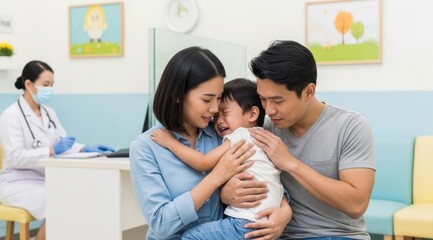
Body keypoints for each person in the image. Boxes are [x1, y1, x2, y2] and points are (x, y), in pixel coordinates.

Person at [221, 40, 376, 240]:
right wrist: (225, 193)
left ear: (308, 92)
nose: (268, 110)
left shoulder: (351, 126)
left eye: (278, 100)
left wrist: (290, 163)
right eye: (263, 99)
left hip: (338, 235)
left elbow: (356, 205)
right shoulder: (262, 131)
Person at [129, 47, 257, 240]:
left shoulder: (223, 135)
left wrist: (283, 210)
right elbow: (161, 225)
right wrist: (216, 178)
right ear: (178, 95)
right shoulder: (145, 147)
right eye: (206, 99)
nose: (215, 109)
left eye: (219, 98)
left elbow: (264, 172)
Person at [151, 78, 291, 240]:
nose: (218, 121)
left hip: (244, 223)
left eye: (225, 113)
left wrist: (170, 142)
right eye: (216, 116)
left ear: (252, 114)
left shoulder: (240, 135)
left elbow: (203, 162)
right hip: (263, 222)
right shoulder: (265, 138)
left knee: (190, 237)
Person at [0, 60, 115, 240]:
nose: (50, 89)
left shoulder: (49, 112)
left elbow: (63, 143)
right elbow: (15, 158)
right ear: (28, 84)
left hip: (43, 179)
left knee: (77, 194)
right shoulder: (10, 116)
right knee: (59, 200)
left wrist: (84, 148)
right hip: (16, 183)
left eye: (52, 85)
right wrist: (51, 151)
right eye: (46, 85)